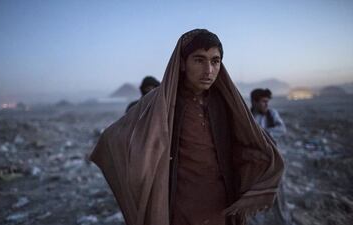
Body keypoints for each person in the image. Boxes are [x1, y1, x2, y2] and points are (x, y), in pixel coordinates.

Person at [88, 29, 284, 225]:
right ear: (182, 63)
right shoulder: (161, 103)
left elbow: (249, 141)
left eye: (215, 61)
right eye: (199, 60)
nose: (208, 70)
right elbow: (113, 140)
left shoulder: (226, 103)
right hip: (180, 206)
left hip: (221, 206)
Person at [250, 88, 291, 225]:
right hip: (257, 165)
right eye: (263, 102)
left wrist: (261, 134)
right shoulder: (249, 117)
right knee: (256, 199)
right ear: (255, 102)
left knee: (279, 197)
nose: (266, 105)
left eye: (267, 102)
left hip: (274, 163)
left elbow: (281, 130)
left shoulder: (271, 115)